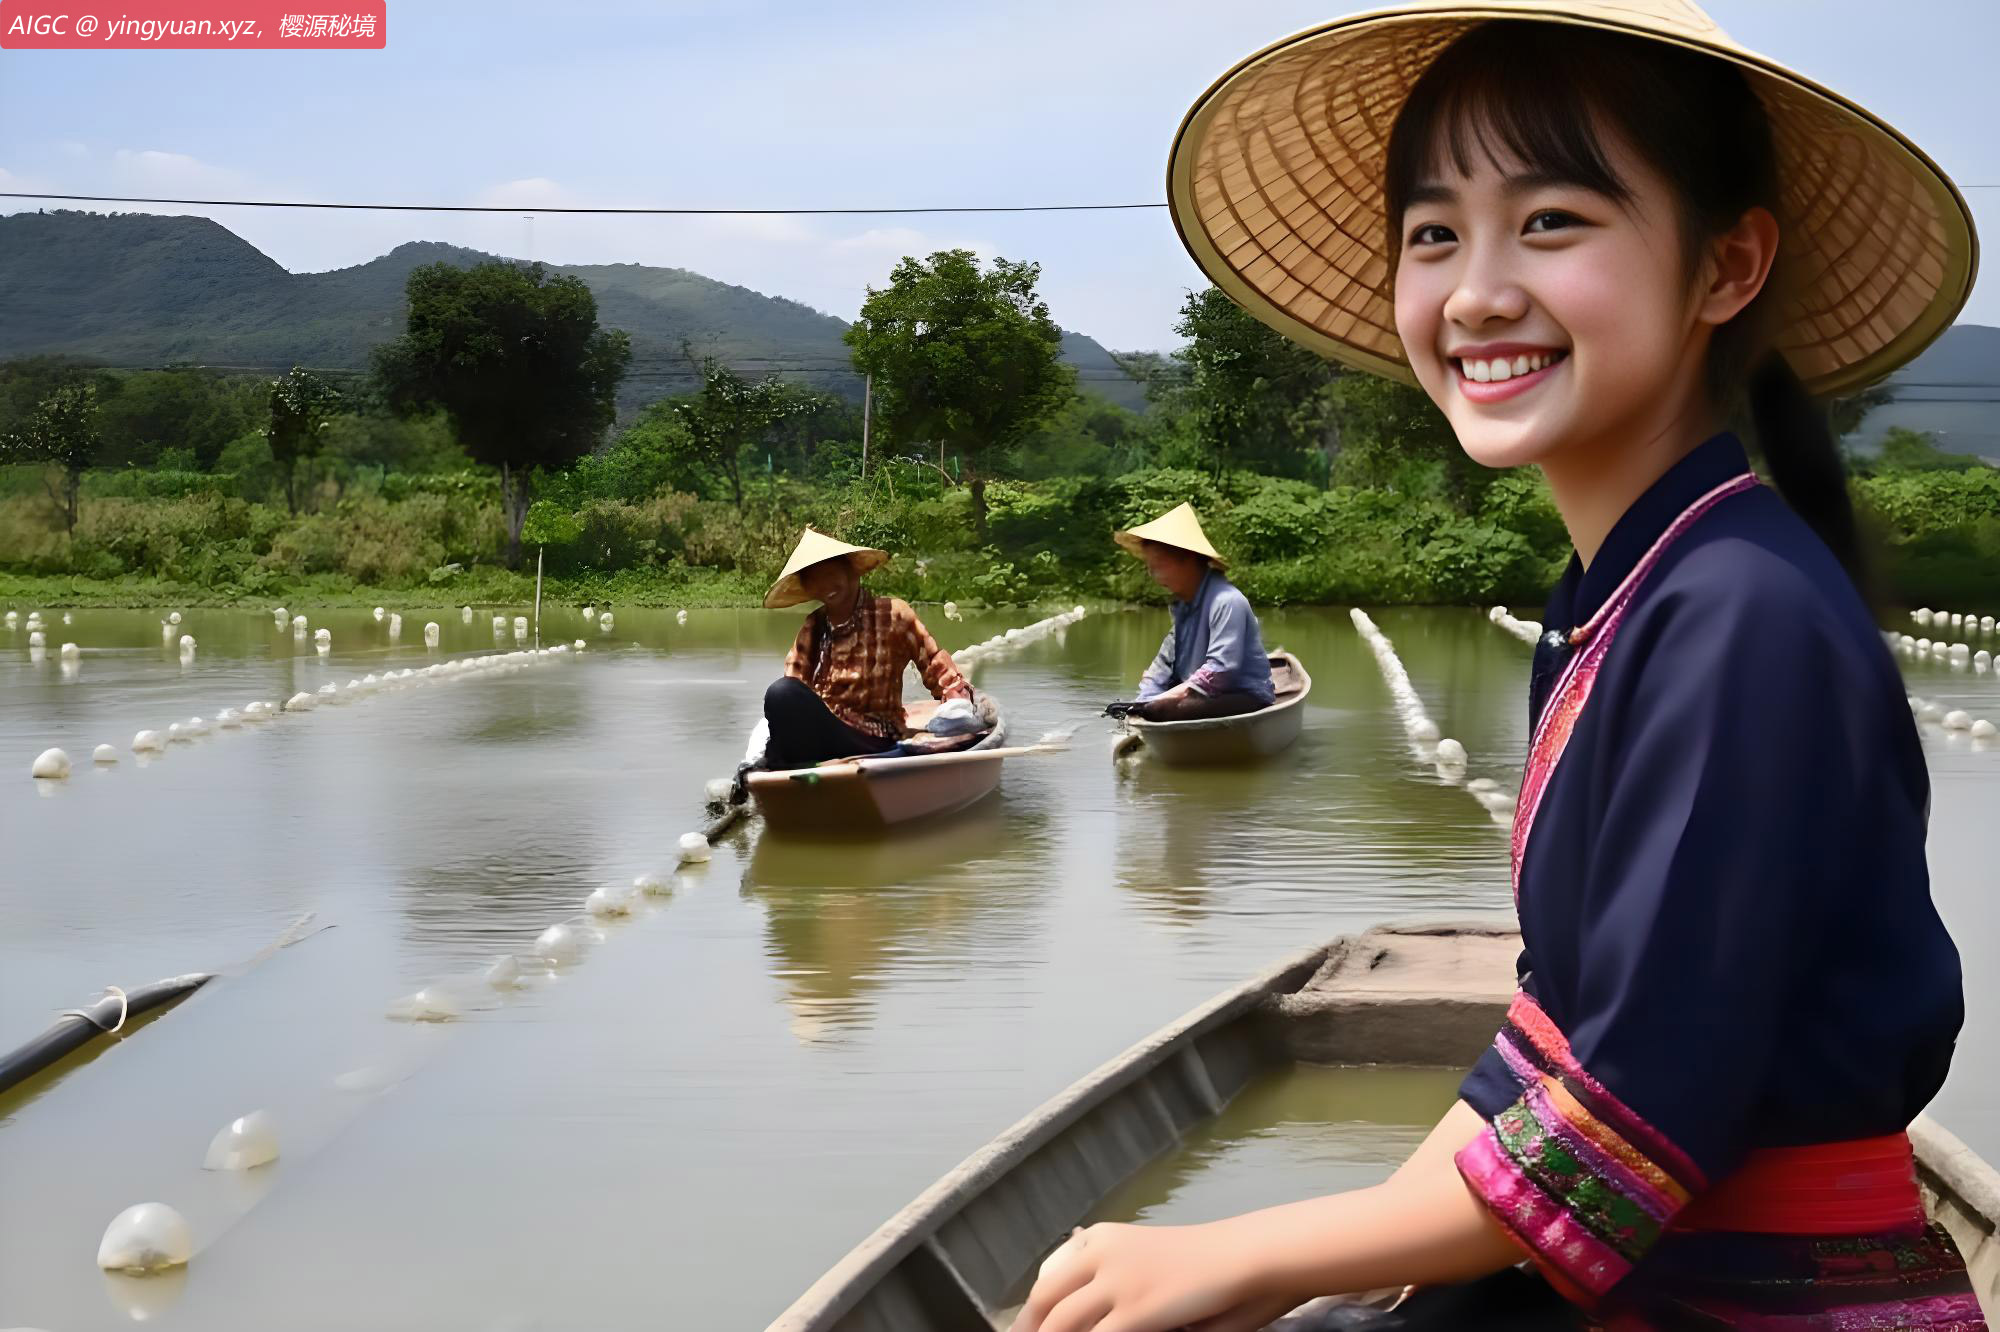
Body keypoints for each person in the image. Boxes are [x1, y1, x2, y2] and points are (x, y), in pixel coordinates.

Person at [1020, 3, 1981, 1329]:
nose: (1475, 291)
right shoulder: (1608, 597)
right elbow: (1549, 1042)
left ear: (1725, 267)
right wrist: (1355, 1259)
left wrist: (1256, 1252)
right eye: (1433, 235)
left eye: (1551, 221)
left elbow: (1627, 1122)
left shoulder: (1738, 616)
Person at [758, 527, 973, 772]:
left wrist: (959, 704)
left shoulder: (893, 614)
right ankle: (801, 768)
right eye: (814, 580)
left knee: (782, 697)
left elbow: (936, 667)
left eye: (831, 574)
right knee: (781, 693)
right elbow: (795, 684)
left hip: (876, 736)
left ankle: (804, 766)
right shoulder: (814, 625)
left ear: (851, 572)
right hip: (828, 733)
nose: (825, 585)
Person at [1117, 503, 1275, 720]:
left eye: (1159, 563)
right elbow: (1163, 665)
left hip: (1242, 694)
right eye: (1149, 565)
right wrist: (1142, 700)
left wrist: (1157, 702)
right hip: (1202, 694)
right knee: (1148, 706)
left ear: (1188, 559)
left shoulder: (1227, 601)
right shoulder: (1185, 607)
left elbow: (1221, 670)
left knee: (1157, 709)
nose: (1152, 572)